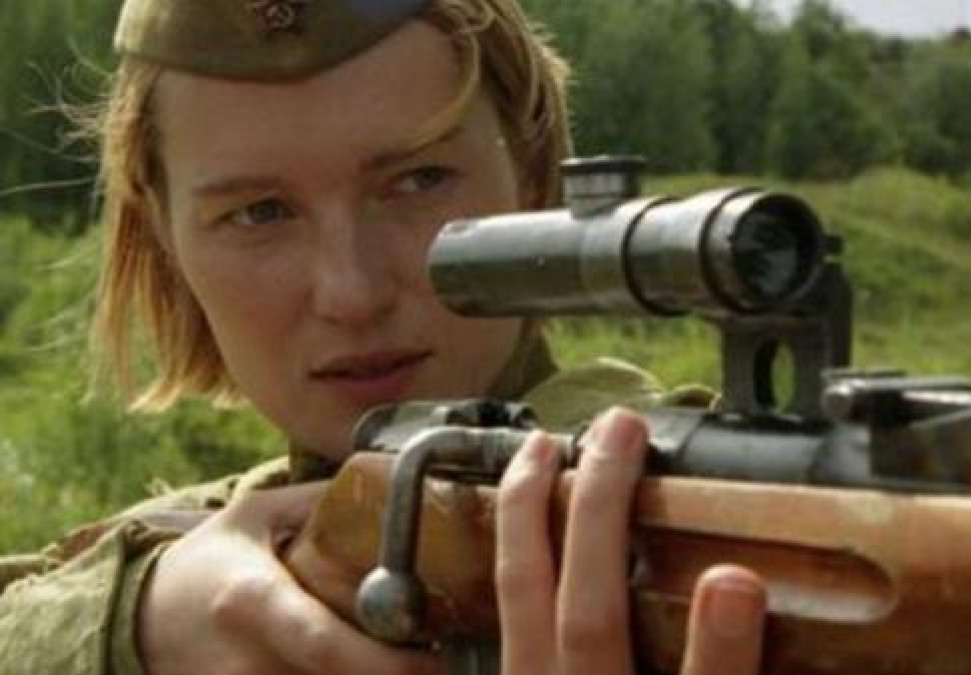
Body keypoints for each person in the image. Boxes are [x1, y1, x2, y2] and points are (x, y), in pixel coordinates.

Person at [0, 0, 768, 673]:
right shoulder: (209, 556)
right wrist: (138, 625)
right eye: (260, 213)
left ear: (535, 177)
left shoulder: (723, 524)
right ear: (167, 242)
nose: (352, 293)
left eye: (419, 180)